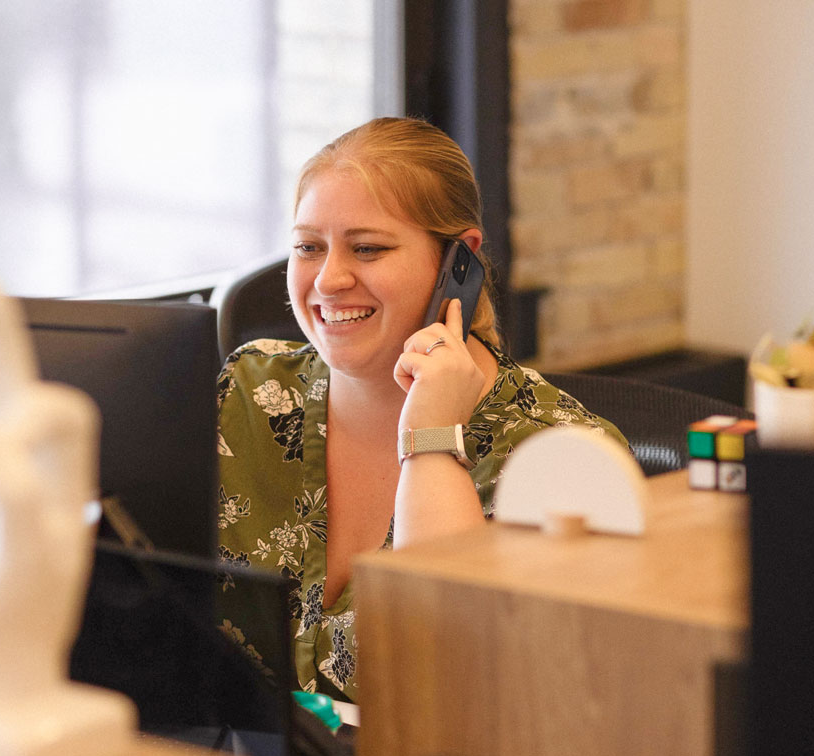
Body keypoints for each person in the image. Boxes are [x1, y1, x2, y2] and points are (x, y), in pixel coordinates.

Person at [216, 117, 627, 704]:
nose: (329, 279)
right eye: (308, 247)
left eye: (368, 248)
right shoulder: (249, 394)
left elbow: (452, 676)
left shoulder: (559, 457)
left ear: (458, 259)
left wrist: (432, 438)